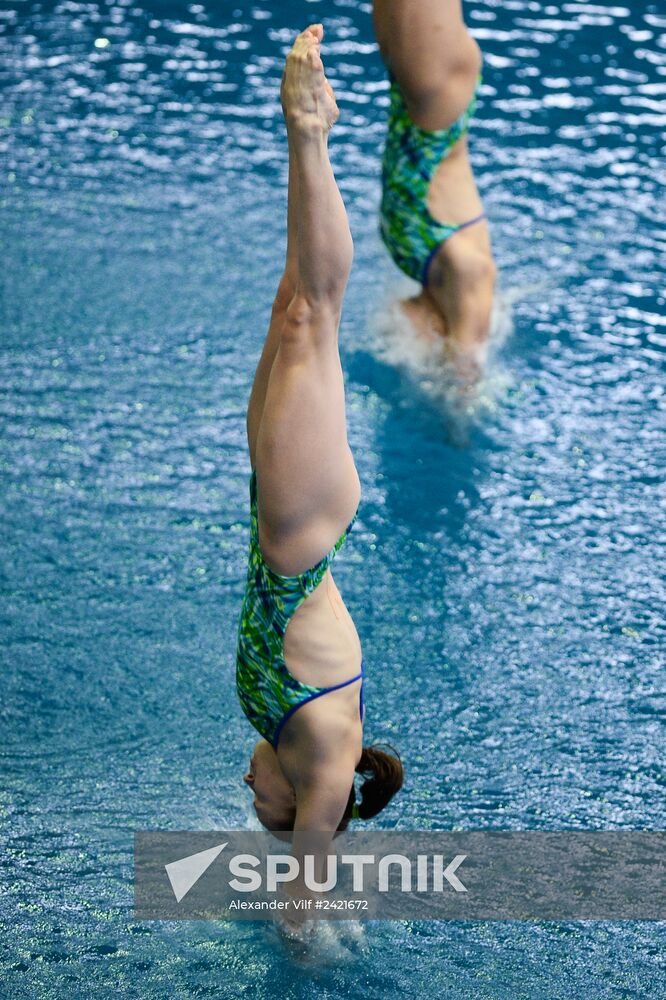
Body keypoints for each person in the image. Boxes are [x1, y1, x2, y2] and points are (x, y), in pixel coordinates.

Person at [235, 26, 403, 882]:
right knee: (312, 315)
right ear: (301, 813)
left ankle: (309, 140)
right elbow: (308, 906)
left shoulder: (281, 741)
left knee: (288, 305)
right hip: (300, 536)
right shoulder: (327, 779)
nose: (248, 787)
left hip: (277, 520)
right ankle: (311, 128)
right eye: (260, 807)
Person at [374, 0, 496, 378]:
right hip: (435, 126)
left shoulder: (434, 281)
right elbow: (466, 373)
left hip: (418, 126)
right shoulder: (470, 272)